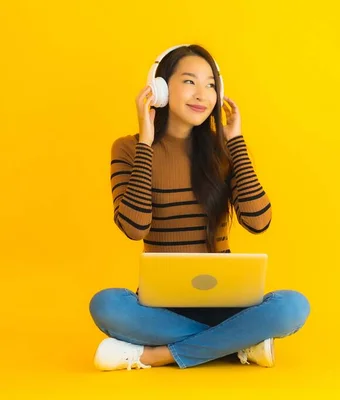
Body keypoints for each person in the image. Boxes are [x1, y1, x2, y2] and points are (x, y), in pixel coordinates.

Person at [89, 44, 310, 371]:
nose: (202, 94)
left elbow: (259, 221)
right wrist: (146, 144)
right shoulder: (129, 147)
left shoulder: (222, 149)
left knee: (292, 307)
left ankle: (154, 355)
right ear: (160, 88)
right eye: (190, 81)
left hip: (226, 303)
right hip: (160, 307)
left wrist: (236, 143)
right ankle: (238, 344)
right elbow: (134, 227)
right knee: (106, 305)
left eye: (210, 85)